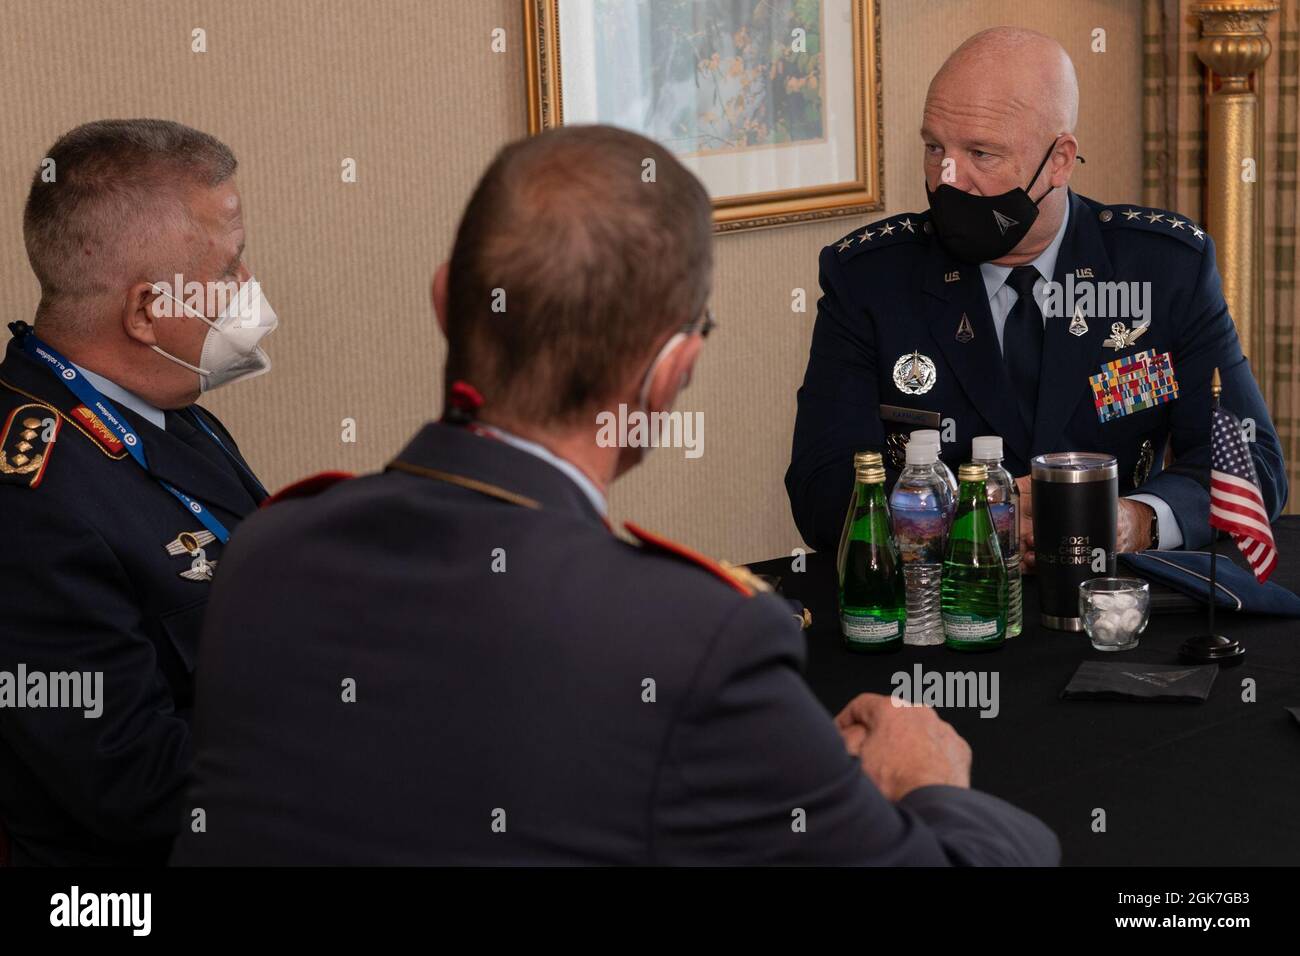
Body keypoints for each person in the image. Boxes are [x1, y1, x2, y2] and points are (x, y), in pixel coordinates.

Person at [171, 125, 1057, 866]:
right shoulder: (699, 639)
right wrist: (928, 780)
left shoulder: (267, 550)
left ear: (445, 301)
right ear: (673, 373)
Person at [786, 27, 1287, 562]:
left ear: (1059, 161)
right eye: (935, 148)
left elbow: (1250, 462)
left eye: (981, 153)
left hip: (1109, 603)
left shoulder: (1164, 270)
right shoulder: (869, 279)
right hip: (946, 609)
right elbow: (822, 489)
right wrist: (973, 519)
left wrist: (1129, 521)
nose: (948, 180)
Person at [0, 120, 275, 865]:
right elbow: (132, 786)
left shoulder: (170, 410)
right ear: (147, 310)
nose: (248, 292)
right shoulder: (31, 500)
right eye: (228, 270)